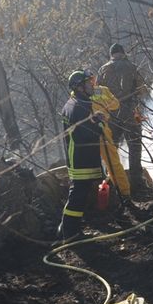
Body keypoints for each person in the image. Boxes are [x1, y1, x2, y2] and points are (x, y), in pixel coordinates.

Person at [57, 69, 104, 242]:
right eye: (87, 83)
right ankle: (69, 233)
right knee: (77, 195)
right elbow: (83, 135)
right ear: (79, 87)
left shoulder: (76, 102)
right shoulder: (78, 106)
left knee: (79, 194)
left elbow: (81, 127)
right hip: (80, 158)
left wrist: (94, 119)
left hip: (79, 157)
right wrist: (99, 126)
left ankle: (71, 231)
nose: (92, 85)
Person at [97, 43, 148, 194]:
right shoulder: (132, 67)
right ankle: (137, 182)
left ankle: (112, 181)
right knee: (134, 146)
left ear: (111, 54)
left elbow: (97, 92)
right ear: (123, 53)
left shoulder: (103, 69)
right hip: (131, 113)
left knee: (112, 149)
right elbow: (143, 89)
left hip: (111, 115)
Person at [86, 70, 132, 201]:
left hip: (87, 132)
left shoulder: (78, 93)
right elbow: (115, 104)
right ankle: (123, 193)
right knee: (113, 163)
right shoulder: (103, 90)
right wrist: (104, 104)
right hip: (101, 130)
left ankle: (111, 193)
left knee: (97, 164)